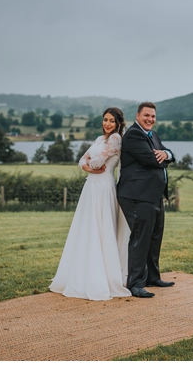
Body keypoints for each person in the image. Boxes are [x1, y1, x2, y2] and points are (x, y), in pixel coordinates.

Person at [49, 108, 131, 300]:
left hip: (104, 188)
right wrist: (87, 165)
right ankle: (82, 273)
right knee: (86, 228)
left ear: (119, 123)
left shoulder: (116, 139)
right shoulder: (99, 139)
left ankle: (102, 276)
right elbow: (82, 161)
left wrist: (89, 164)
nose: (107, 124)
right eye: (105, 120)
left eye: (112, 120)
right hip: (91, 187)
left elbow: (97, 162)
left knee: (102, 229)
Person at [116, 101, 175, 298]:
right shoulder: (133, 134)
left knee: (155, 237)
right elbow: (151, 160)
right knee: (140, 238)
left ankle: (153, 277)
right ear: (138, 116)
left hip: (153, 195)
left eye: (153, 116)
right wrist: (164, 157)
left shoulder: (153, 135)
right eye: (146, 116)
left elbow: (169, 154)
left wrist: (166, 153)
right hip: (136, 195)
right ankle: (136, 284)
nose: (150, 119)